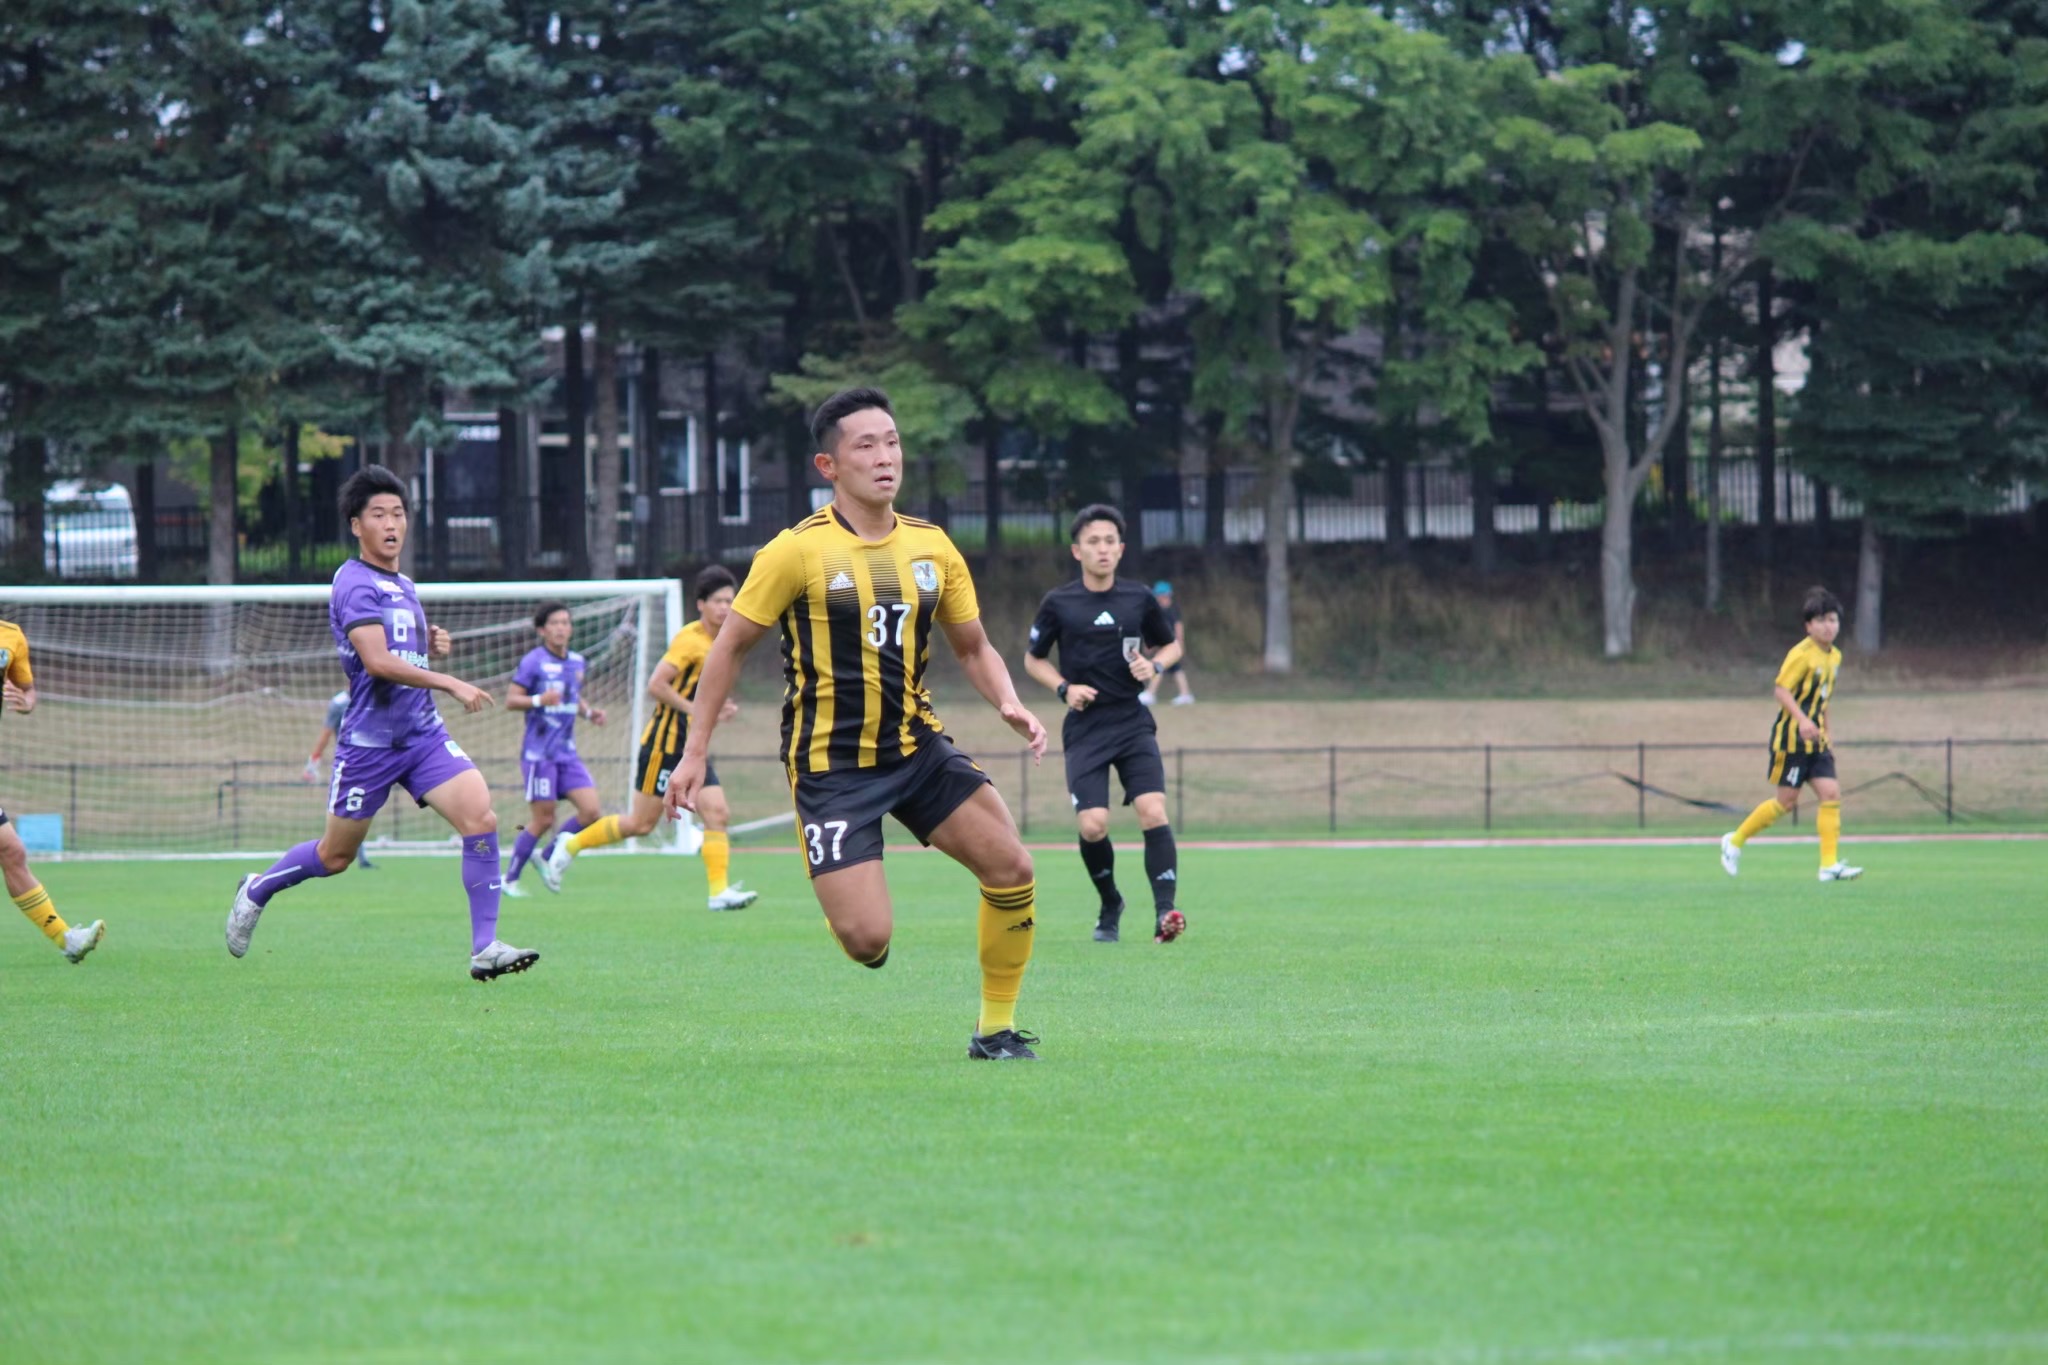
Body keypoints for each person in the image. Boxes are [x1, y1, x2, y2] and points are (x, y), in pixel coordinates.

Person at [663, 387, 1051, 1060]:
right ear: (829, 465)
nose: (884, 457)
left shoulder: (933, 547)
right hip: (831, 764)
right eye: (866, 445)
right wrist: (695, 751)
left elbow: (973, 647)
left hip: (916, 748)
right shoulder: (795, 552)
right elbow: (728, 648)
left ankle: (996, 1032)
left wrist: (1008, 700)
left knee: (1012, 866)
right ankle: (838, 893)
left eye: (892, 442)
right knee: (868, 942)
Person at [226, 464, 539, 981]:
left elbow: (400, 646)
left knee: (481, 819)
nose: (391, 523)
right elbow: (375, 661)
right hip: (369, 744)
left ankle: (485, 948)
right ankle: (258, 888)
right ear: (357, 525)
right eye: (378, 514)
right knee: (335, 857)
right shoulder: (353, 582)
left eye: (397, 513)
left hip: (422, 736)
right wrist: (449, 680)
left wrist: (430, 640)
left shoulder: (404, 585)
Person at [540, 566, 759, 912]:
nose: (725, 607)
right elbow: (656, 685)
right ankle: (571, 844)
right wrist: (695, 709)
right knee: (640, 824)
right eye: (718, 601)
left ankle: (719, 892)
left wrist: (718, 708)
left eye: (730, 601)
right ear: (700, 604)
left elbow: (703, 692)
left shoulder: (726, 642)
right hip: (663, 746)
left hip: (692, 749)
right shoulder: (690, 640)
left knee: (717, 812)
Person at [1023, 505, 1188, 945]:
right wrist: (1064, 689)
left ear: (1121, 549)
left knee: (1153, 810)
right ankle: (1111, 902)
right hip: (1086, 727)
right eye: (1093, 541)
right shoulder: (1059, 603)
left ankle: (1165, 913)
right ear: (1077, 551)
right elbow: (1033, 660)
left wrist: (1154, 666)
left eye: (1110, 541)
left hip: (1132, 721)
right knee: (1093, 825)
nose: (1102, 549)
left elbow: (1170, 647)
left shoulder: (1139, 598)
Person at [1720, 586, 1863, 883]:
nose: (1828, 626)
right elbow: (1781, 690)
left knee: (1831, 794)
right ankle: (1734, 841)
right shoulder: (1800, 655)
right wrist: (1802, 721)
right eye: (1821, 620)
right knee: (1785, 802)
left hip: (1817, 742)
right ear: (1808, 626)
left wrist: (1827, 733)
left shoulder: (1835, 657)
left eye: (1833, 620)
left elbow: (1823, 700)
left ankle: (1828, 865)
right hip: (1792, 741)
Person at [0, 619, 103, 963]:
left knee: (11, 852)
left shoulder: (10, 636)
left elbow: (27, 690)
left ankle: (66, 939)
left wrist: (26, 701)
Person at [500, 600, 606, 898]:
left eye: (565, 622)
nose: (561, 628)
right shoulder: (533, 661)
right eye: (555, 623)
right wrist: (538, 700)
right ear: (542, 630)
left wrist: (589, 713)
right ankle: (509, 879)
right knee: (544, 819)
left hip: (567, 753)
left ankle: (546, 856)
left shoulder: (577, 662)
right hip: (539, 755)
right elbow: (511, 700)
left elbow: (573, 695)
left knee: (591, 811)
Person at [305, 689, 377, 869]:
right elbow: (326, 733)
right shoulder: (339, 704)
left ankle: (359, 857)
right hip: (351, 764)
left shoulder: (373, 696)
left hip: (374, 760)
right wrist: (312, 764)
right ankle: (338, 854)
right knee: (350, 809)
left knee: (359, 808)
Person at [1136, 580, 1194, 706]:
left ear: (1166, 595)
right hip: (1163, 646)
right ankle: (1185, 694)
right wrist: (1150, 645)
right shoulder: (1159, 611)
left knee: (1159, 667)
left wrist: (1180, 645)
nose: (1158, 598)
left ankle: (1151, 693)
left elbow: (1178, 628)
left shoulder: (1172, 611)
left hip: (1172, 647)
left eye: (1160, 595)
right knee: (1175, 670)